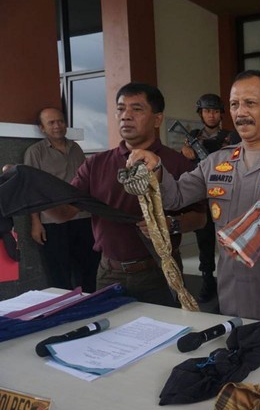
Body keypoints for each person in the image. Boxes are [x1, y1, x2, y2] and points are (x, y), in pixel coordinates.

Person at [127, 70, 260, 322]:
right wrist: (157, 167)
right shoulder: (217, 162)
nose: (241, 112)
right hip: (231, 298)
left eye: (250, 103)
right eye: (235, 104)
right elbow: (176, 197)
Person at [42, 83, 207, 306]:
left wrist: (168, 224)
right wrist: (34, 193)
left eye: (136, 109)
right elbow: (64, 212)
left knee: (163, 335)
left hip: (159, 271)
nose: (126, 116)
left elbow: (200, 218)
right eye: (121, 109)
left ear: (157, 119)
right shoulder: (96, 164)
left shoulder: (176, 163)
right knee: (107, 335)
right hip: (109, 273)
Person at [23, 107, 100, 292]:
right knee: (59, 275)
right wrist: (36, 223)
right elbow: (30, 189)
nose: (57, 126)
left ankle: (90, 306)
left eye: (60, 121)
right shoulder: (35, 152)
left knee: (89, 270)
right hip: (52, 222)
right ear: (42, 128)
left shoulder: (76, 148)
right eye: (51, 122)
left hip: (82, 218)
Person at [181, 93, 239, 303]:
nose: (211, 115)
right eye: (207, 111)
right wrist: (185, 151)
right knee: (204, 244)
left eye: (215, 111)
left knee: (230, 242)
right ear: (201, 113)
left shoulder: (230, 136)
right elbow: (189, 169)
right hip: (203, 199)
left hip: (226, 197)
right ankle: (207, 279)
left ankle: (232, 281)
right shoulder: (193, 137)